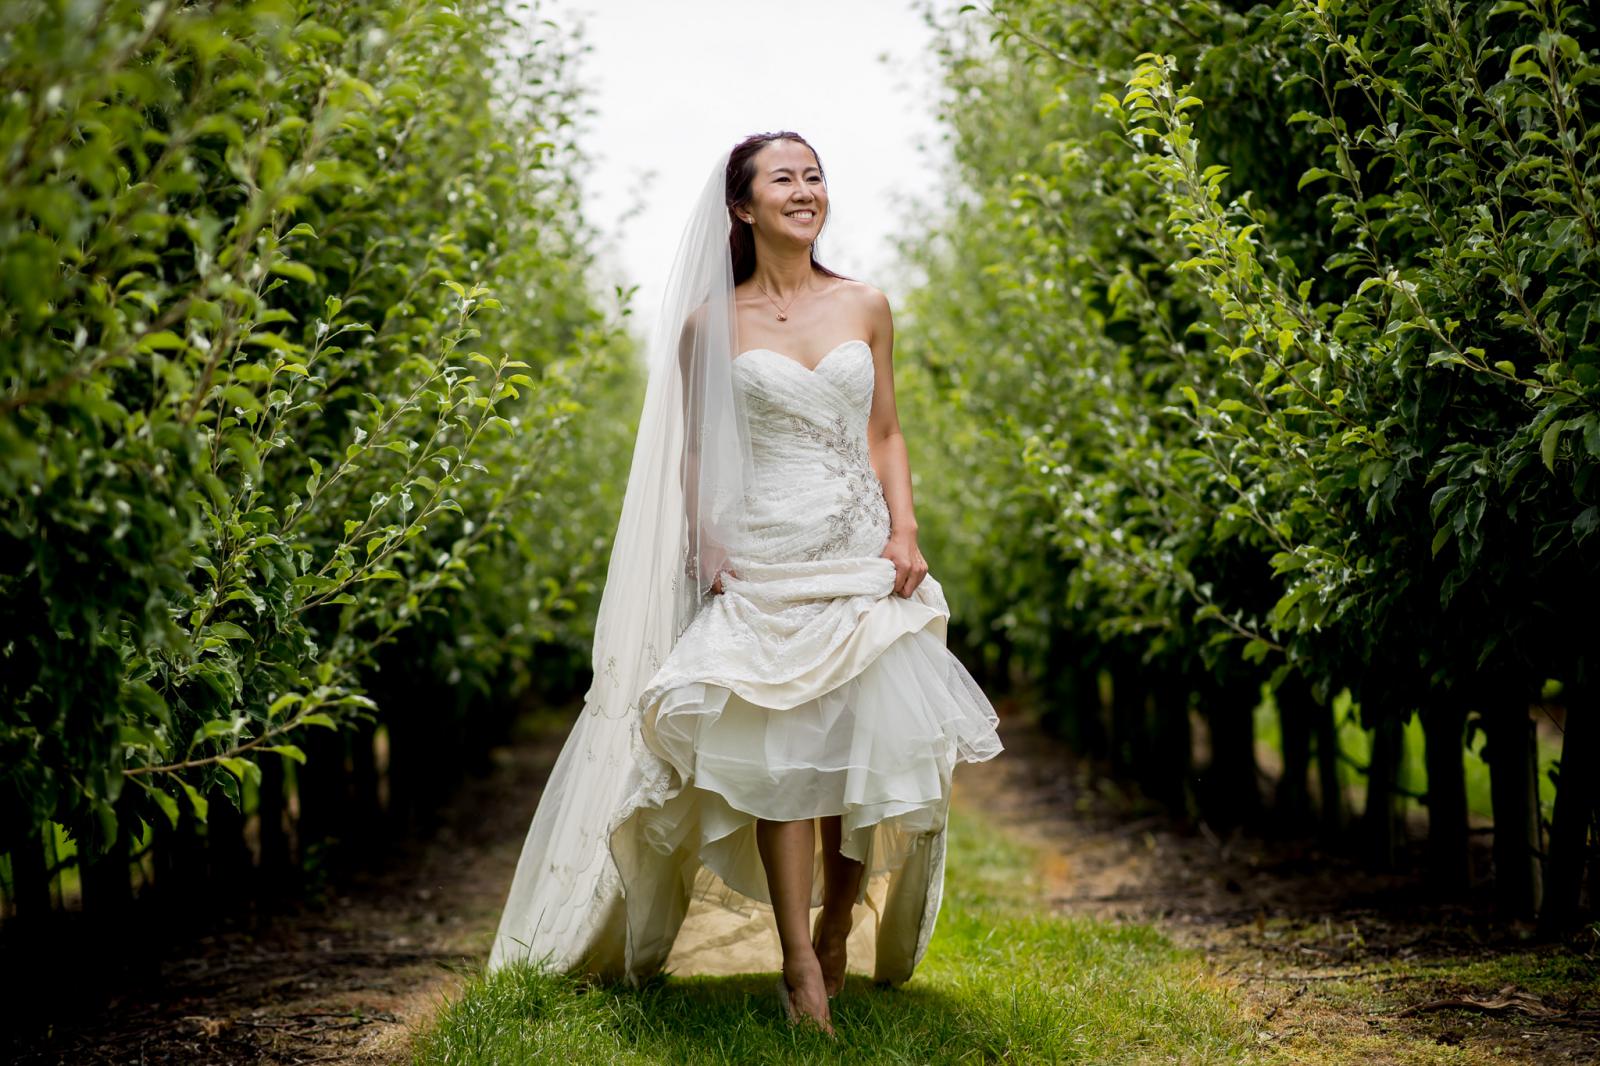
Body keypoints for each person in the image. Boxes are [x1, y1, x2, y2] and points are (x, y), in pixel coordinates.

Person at [486, 131, 1003, 1036]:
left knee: (858, 756)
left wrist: (907, 528)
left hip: (858, 552)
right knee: (781, 760)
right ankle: (797, 963)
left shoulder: (867, 304)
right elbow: (693, 450)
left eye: (815, 176)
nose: (806, 191)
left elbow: (886, 431)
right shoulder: (708, 326)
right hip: (768, 554)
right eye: (784, 179)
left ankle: (839, 920)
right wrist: (708, 541)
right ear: (742, 206)